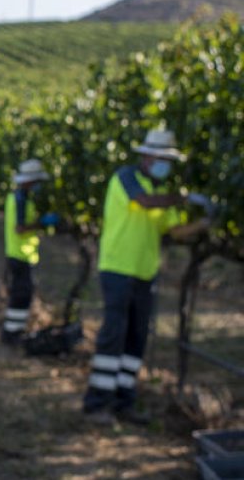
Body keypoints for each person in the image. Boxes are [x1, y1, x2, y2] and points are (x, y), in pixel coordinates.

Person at [81, 129, 210, 425]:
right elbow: (144, 202)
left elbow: (173, 231)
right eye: (161, 158)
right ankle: (97, 402)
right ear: (146, 156)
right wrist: (184, 198)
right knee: (113, 334)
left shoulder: (162, 194)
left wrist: (203, 223)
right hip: (117, 269)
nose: (164, 164)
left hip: (144, 273)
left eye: (169, 159)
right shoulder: (126, 178)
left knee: (136, 338)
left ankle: (124, 401)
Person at [1, 159, 59, 345]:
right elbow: (20, 228)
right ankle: (11, 333)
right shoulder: (20, 199)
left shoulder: (19, 197)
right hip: (19, 254)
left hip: (20, 253)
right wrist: (41, 222)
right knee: (21, 294)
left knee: (22, 293)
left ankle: (14, 330)